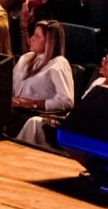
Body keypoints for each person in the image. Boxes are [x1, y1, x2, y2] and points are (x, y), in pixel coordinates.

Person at [11, 20, 77, 149]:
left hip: (34, 113)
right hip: (15, 109)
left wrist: (32, 103)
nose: (31, 39)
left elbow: (66, 101)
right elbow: (11, 85)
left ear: (49, 42)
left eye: (37, 36)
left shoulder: (59, 64)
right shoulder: (26, 58)